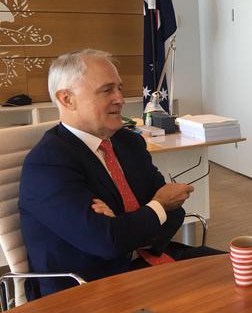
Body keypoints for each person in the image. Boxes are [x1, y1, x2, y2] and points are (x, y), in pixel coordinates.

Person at [19, 49, 223, 298]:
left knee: (245, 269)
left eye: (119, 88)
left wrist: (127, 226)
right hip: (90, 290)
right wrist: (156, 207)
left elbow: (174, 213)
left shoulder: (128, 142)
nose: (120, 99)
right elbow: (106, 242)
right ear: (67, 99)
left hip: (150, 260)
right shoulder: (47, 163)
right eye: (107, 90)